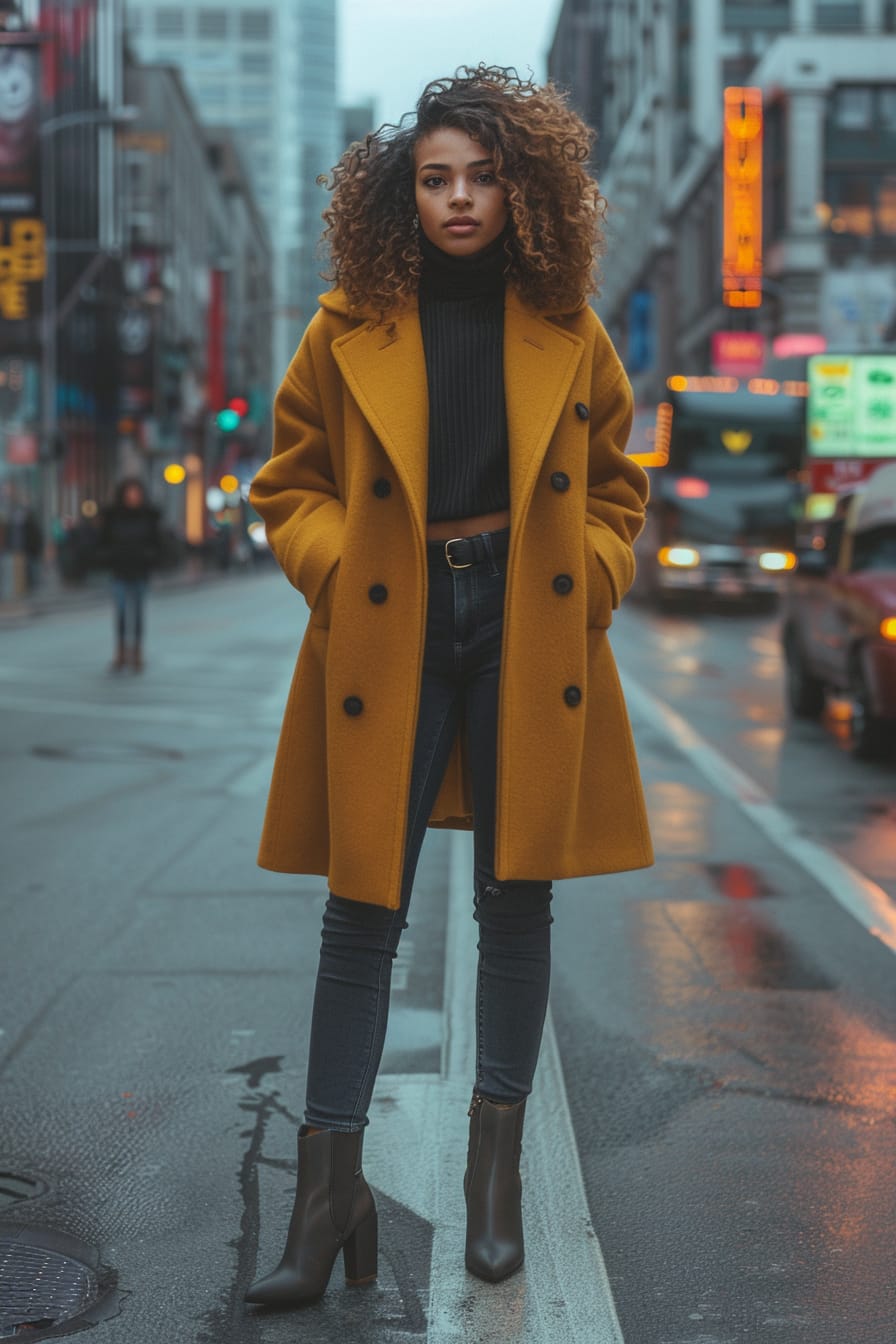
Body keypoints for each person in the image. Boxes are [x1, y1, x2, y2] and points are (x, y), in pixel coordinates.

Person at [245, 65, 653, 1307]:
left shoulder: (569, 329)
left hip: (520, 623)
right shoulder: (345, 327)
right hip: (393, 622)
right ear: (401, 195)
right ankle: (327, 1198)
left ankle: (491, 1184)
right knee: (359, 906)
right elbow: (287, 485)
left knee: (514, 899)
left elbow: (618, 489)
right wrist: (336, 566)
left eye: (479, 176)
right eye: (434, 179)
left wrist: (582, 577)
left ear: (518, 188)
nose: (458, 198)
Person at [97, 477, 162, 672]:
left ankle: (137, 652)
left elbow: (157, 542)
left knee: (138, 613)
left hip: (140, 571)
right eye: (129, 493)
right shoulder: (114, 517)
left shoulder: (148, 517)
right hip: (120, 570)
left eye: (136, 493)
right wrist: (110, 557)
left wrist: (150, 557)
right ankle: (121, 652)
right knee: (122, 613)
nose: (133, 497)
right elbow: (103, 541)